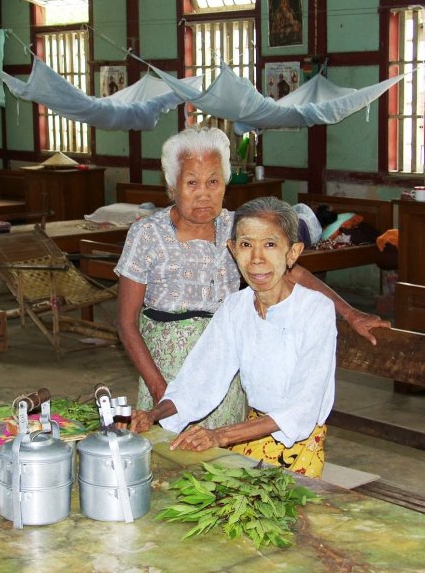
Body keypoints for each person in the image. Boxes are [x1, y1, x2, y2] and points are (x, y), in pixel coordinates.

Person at [115, 126, 388, 430]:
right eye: (192, 182)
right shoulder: (147, 234)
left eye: (214, 182)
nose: (204, 193)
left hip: (225, 366)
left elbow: (293, 270)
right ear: (171, 187)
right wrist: (159, 389)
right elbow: (126, 323)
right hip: (164, 370)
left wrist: (350, 313)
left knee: (221, 458)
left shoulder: (239, 229)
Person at [130, 197, 336, 478]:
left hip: (298, 447)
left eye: (271, 245)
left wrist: (220, 435)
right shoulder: (236, 307)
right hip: (251, 436)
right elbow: (199, 380)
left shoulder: (316, 311)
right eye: (246, 245)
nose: (257, 259)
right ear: (232, 250)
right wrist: (153, 415)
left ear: (293, 253)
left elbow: (301, 408)